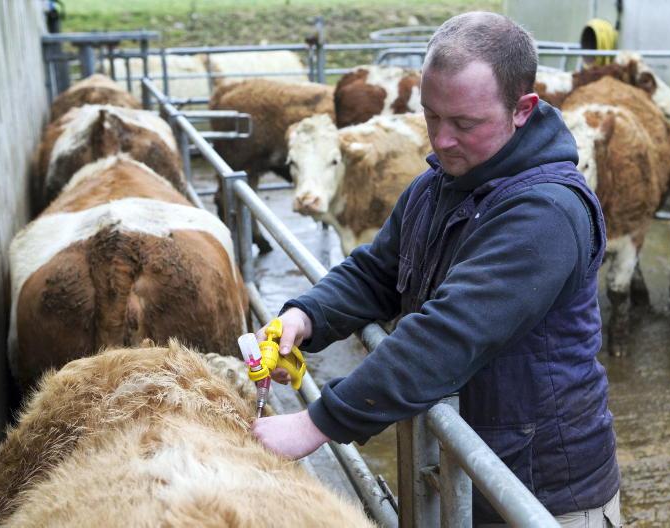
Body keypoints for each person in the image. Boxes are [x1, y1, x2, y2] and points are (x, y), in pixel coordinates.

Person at [253, 11, 621, 526]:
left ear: (523, 109)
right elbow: (378, 270)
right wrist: (306, 315)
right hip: (471, 468)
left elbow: (449, 333)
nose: (441, 140)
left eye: (465, 123)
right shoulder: (438, 183)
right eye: (432, 117)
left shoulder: (546, 212)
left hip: (542, 491)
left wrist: (319, 422)